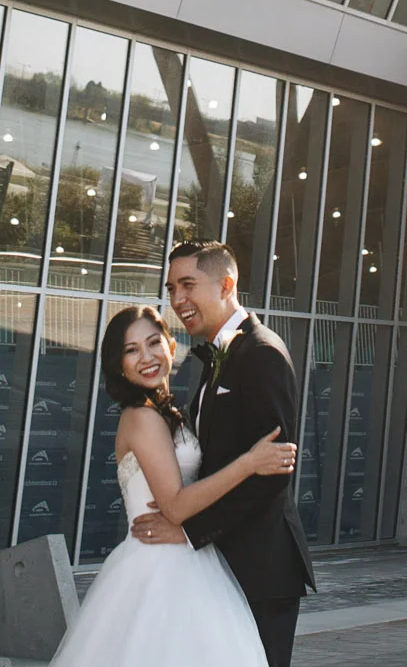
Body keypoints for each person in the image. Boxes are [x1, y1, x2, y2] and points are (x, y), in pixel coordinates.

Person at [46, 304, 298, 667]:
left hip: (192, 558)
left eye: (153, 343)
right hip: (159, 567)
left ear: (171, 345)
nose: (147, 357)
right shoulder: (141, 417)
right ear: (119, 365)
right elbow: (176, 507)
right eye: (131, 350)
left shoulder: (171, 413)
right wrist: (249, 462)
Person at [131, 241, 316, 667]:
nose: (178, 299)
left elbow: (273, 473)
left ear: (226, 285)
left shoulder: (262, 354)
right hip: (217, 567)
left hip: (260, 568)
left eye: (188, 285)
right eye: (172, 288)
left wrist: (189, 531)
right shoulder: (217, 356)